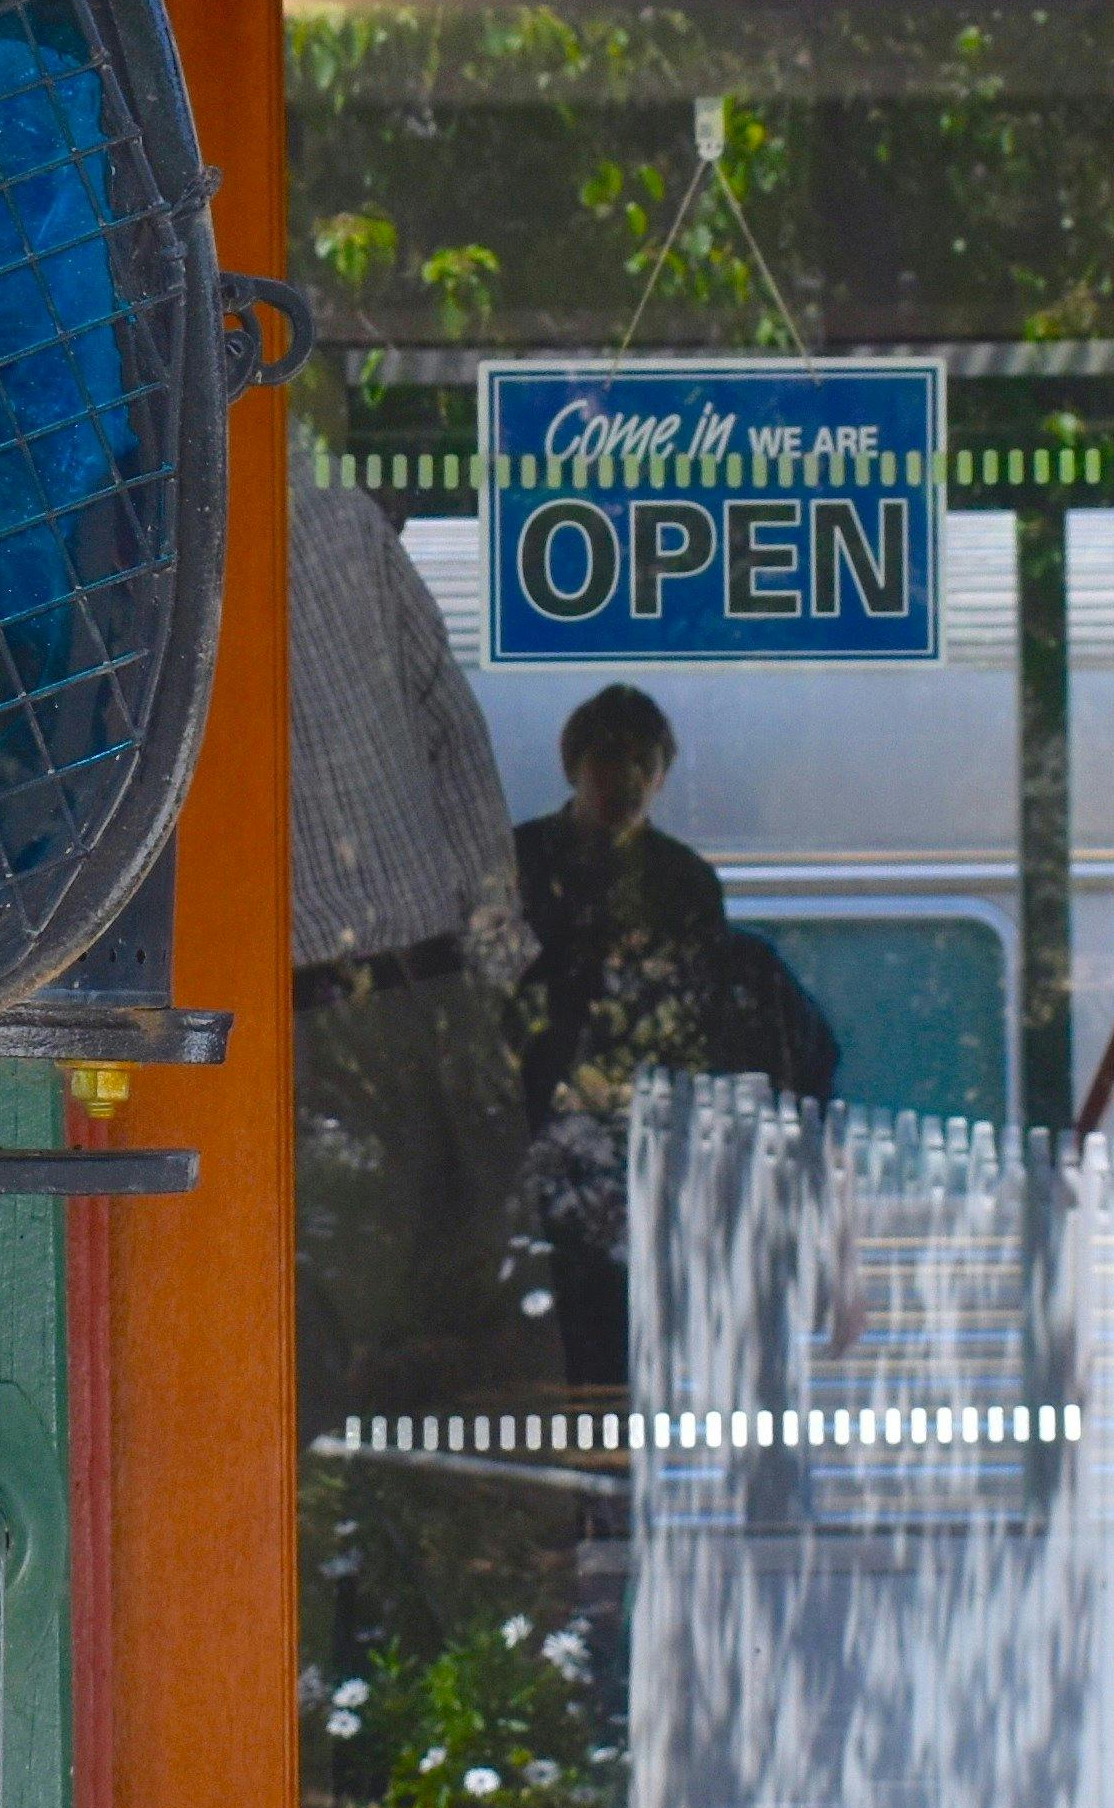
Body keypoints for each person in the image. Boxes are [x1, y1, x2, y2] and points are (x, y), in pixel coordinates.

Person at [287, 467, 541, 1426]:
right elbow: (453, 733)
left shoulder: (135, 531)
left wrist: (491, 964)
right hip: (407, 981)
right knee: (448, 1259)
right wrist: (492, 964)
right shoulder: (336, 524)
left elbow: (450, 731)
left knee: (357, 1279)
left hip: (336, 996)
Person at [508, 685, 832, 1385]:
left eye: (641, 762)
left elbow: (702, 1029)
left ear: (659, 776)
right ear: (574, 766)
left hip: (644, 1151)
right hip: (540, 1141)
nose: (623, 778)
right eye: (607, 759)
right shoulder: (520, 862)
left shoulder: (685, 881)